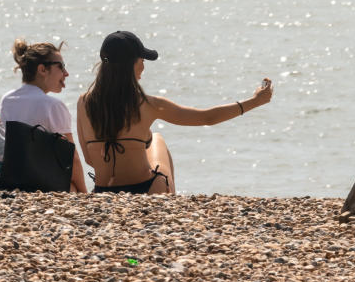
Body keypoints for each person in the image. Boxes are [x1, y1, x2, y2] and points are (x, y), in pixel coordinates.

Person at [76, 30, 273, 194]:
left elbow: (89, 159)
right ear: (133, 63)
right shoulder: (147, 104)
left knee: (144, 139)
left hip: (102, 191)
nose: (143, 65)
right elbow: (207, 117)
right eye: (142, 59)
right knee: (157, 139)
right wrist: (256, 101)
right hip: (145, 190)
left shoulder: (84, 102)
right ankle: (171, 201)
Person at [0, 38, 89, 193]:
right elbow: (71, 158)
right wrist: (84, 194)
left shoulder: (7, 100)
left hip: (11, 182)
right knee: (73, 190)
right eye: (61, 66)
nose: (66, 73)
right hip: (43, 185)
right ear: (42, 70)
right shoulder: (53, 106)